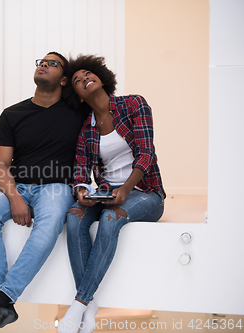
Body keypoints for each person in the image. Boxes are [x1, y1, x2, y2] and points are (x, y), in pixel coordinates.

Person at [0, 52, 87, 329]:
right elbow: (0, 165)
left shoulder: (79, 113)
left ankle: (3, 297)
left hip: (56, 187)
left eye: (53, 63)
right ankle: (3, 299)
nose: (44, 64)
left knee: (50, 222)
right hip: (17, 185)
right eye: (41, 62)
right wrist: (14, 198)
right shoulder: (12, 114)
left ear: (63, 80)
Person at [57, 54, 166, 333]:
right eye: (78, 81)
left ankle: (79, 304)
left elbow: (146, 153)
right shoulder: (86, 129)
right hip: (105, 192)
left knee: (110, 218)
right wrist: (82, 191)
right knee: (73, 217)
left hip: (145, 193)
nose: (84, 79)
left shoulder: (133, 104)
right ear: (78, 96)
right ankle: (90, 305)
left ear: (102, 77)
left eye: (87, 74)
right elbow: (80, 172)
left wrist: (125, 190)